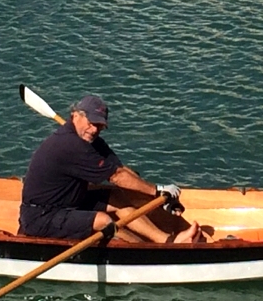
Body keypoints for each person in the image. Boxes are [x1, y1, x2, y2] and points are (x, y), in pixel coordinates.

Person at [18, 94, 204, 243]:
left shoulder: (90, 141)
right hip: (41, 217)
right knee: (103, 221)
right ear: (75, 115)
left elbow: (122, 170)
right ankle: (143, 250)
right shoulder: (70, 145)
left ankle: (166, 241)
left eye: (99, 126)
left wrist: (158, 198)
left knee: (116, 198)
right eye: (91, 123)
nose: (94, 130)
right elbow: (116, 177)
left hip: (70, 202)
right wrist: (157, 191)